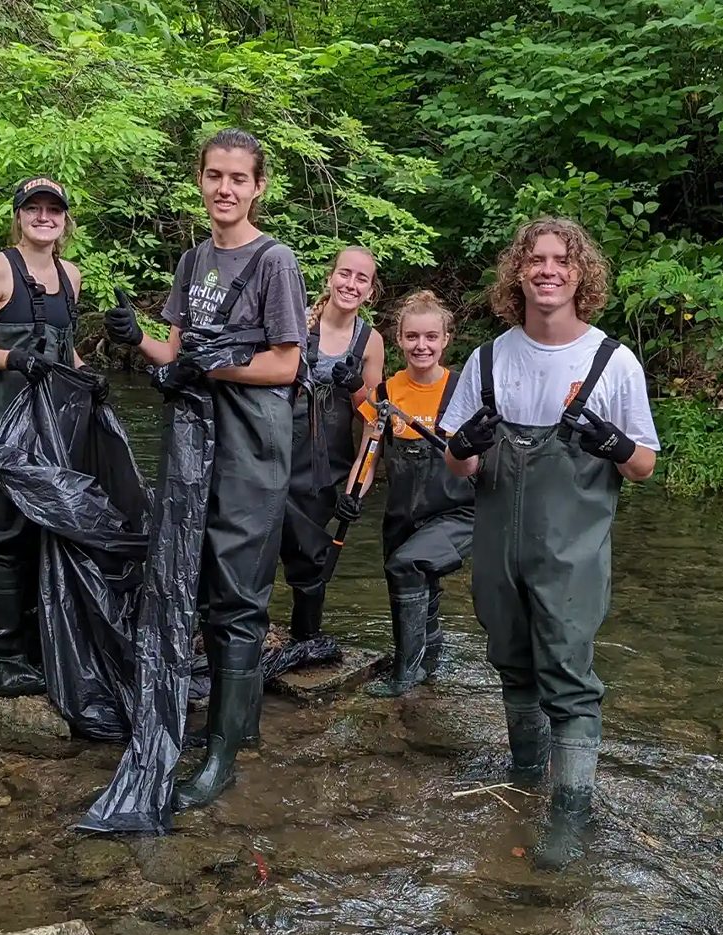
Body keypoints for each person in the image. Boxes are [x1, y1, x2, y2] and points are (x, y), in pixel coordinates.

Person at [437, 218, 659, 871]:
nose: (547, 270)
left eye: (561, 261)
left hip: (572, 555)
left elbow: (643, 465)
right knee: (511, 660)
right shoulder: (487, 359)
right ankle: (525, 773)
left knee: (567, 675)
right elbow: (460, 468)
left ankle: (570, 813)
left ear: (580, 274)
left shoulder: (612, 362)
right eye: (535, 260)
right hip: (499, 550)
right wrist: (462, 449)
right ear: (518, 274)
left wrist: (614, 445)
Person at [103, 129, 307, 809]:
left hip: (253, 442)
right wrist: (140, 343)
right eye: (214, 176)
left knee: (240, 595)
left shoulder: (275, 262)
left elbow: (287, 364)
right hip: (195, 437)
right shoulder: (194, 261)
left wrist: (214, 364)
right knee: (198, 582)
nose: (225, 189)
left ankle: (223, 755)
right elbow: (177, 352)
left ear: (259, 187)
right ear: (199, 180)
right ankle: (232, 725)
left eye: (238, 179)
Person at [0, 176, 110, 698]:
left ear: (66, 221)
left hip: (49, 432)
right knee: (0, 534)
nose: (44, 217)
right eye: (34, 209)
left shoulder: (72, 276)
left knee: (45, 530)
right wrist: (12, 358)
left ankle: (43, 645)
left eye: (54, 210)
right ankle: (6, 659)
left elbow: (62, 350)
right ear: (18, 216)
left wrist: (87, 376)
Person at [346, 291, 471, 696]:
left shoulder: (463, 391)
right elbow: (369, 454)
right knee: (412, 580)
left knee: (407, 566)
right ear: (398, 339)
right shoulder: (384, 394)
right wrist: (352, 496)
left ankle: (406, 674)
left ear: (445, 340)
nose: (422, 346)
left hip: (458, 512)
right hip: (402, 514)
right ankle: (429, 668)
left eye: (431, 337)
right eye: (413, 337)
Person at [279, 247, 384, 642]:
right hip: (273, 455)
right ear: (330, 277)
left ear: (371, 291)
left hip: (324, 471)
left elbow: (376, 422)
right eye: (345, 274)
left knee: (310, 563)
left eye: (362, 279)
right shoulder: (296, 320)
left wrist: (358, 487)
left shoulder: (370, 342)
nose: (350, 284)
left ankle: (305, 644)